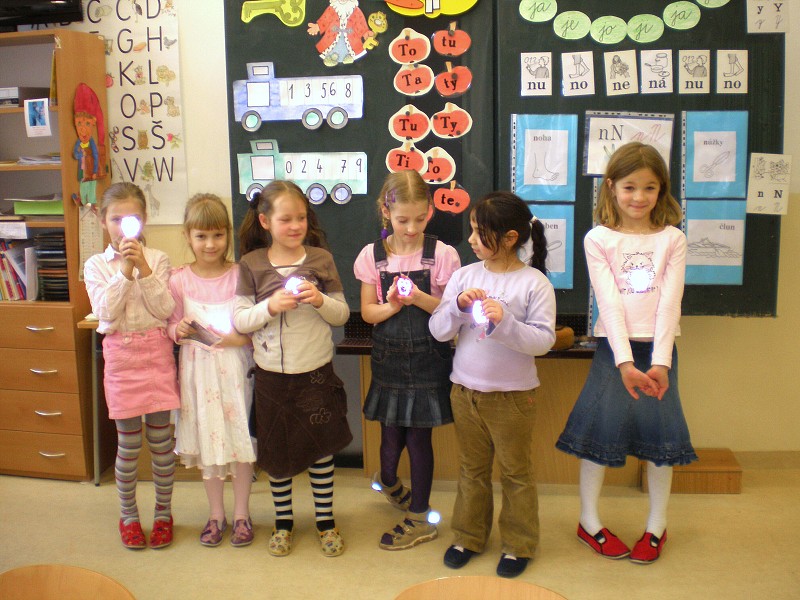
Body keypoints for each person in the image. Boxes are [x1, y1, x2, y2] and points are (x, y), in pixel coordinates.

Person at [556, 142, 697, 565]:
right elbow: (610, 303)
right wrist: (624, 362)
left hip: (660, 352)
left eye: (650, 188)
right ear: (611, 187)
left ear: (662, 190)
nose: (639, 197)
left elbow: (670, 303)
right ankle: (589, 522)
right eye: (630, 187)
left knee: (661, 439)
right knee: (599, 435)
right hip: (614, 351)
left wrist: (660, 362)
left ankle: (656, 526)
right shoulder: (599, 239)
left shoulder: (673, 239)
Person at [429, 192, 556, 578]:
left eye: (479, 232)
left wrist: (505, 322)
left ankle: (518, 545)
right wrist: (456, 307)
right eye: (471, 230)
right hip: (465, 392)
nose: (470, 239)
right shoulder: (465, 276)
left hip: (513, 397)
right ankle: (468, 537)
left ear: (510, 237)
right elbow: (438, 331)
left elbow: (543, 341)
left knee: (516, 473)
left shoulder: (534, 283)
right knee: (471, 470)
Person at [233, 181, 352, 558]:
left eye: (301, 217)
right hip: (271, 377)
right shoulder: (251, 264)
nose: (296, 225)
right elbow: (240, 320)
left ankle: (325, 521)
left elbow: (341, 315)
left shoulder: (321, 259)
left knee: (321, 450)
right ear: (265, 221)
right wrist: (270, 307)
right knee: (277, 453)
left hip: (315, 373)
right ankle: (283, 522)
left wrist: (319, 300)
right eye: (286, 219)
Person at [354, 171, 461, 550]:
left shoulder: (442, 255)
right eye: (403, 220)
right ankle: (388, 480)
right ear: (386, 212)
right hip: (390, 359)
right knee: (391, 434)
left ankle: (420, 515)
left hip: (429, 358)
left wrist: (417, 298)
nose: (412, 229)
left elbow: (450, 312)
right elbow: (368, 313)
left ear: (430, 211)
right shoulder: (372, 256)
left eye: (420, 218)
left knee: (418, 436)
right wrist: (392, 305)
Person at [83, 182, 180, 550]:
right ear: (102, 220)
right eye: (116, 219)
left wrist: (143, 267)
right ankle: (128, 517)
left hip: (156, 355)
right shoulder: (95, 265)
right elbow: (105, 312)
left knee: (161, 443)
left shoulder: (158, 259)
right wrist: (125, 269)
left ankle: (163, 514)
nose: (124, 226)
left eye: (132, 219)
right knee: (128, 445)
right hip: (121, 360)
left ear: (144, 220)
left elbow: (165, 309)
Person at [167, 193, 257, 548]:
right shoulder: (179, 280)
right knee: (210, 441)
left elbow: (252, 328)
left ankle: (242, 514)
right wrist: (178, 329)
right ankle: (216, 514)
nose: (210, 244)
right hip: (197, 373)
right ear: (188, 236)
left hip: (234, 371)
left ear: (227, 235)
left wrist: (234, 339)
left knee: (239, 440)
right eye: (201, 236)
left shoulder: (239, 275)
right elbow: (171, 324)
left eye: (218, 235)